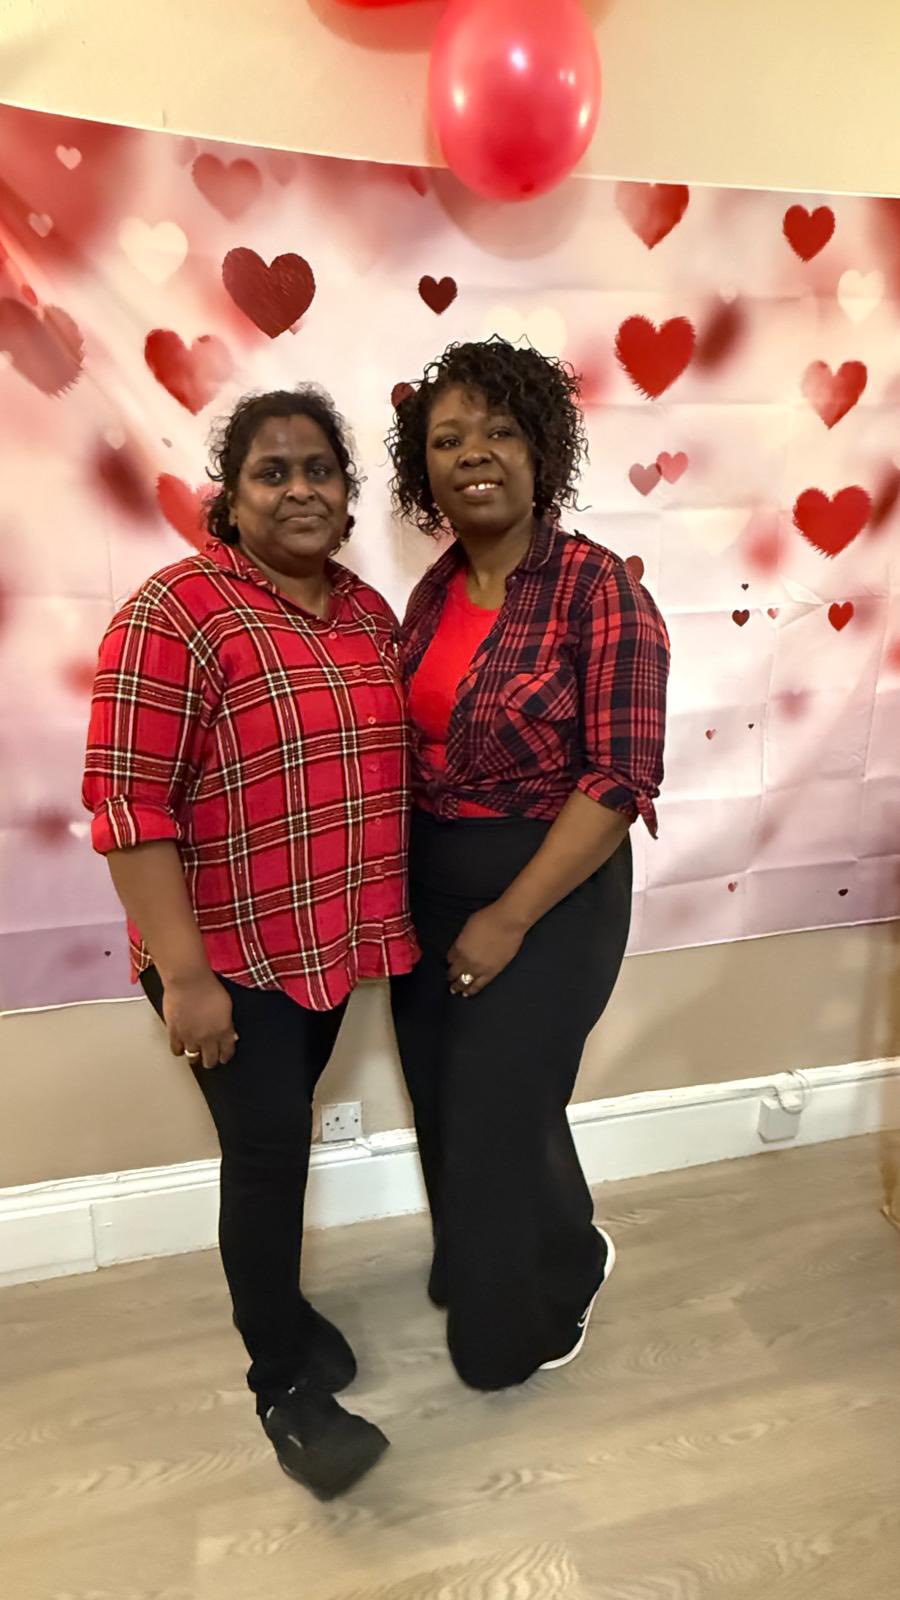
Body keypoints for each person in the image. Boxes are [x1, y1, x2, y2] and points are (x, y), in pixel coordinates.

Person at [82, 387, 417, 1498]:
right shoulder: (175, 612)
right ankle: (283, 1387)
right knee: (268, 1158)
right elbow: (130, 807)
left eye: (320, 469)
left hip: (324, 947)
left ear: (347, 493)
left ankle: (288, 1315)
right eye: (273, 472)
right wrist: (185, 978)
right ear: (231, 496)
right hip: (222, 960)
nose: (301, 490)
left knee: (281, 1142)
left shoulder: (367, 615)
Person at [386, 338, 670, 1391]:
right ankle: (508, 1256)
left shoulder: (600, 590)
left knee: (499, 1103)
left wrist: (507, 917)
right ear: (424, 469)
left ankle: (534, 1312)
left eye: (500, 430)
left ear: (542, 449)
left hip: (552, 890)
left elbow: (619, 779)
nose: (475, 453)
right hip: (431, 884)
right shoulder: (432, 594)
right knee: (444, 1096)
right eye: (448, 438)